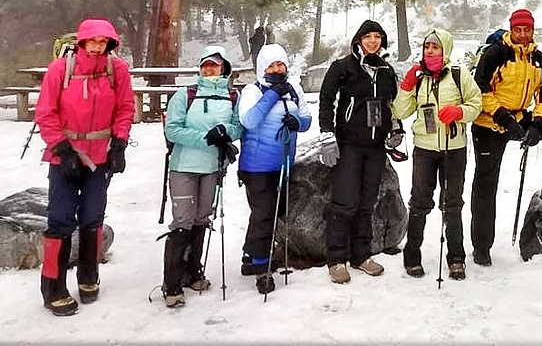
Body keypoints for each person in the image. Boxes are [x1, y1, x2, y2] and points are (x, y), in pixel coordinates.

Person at [34, 18, 135, 316]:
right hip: (64, 155)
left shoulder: (117, 70)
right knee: (61, 220)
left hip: (100, 155)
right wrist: (62, 151)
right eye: (93, 41)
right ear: (81, 42)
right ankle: (53, 286)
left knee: (92, 217)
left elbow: (125, 108)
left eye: (104, 42)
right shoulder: (60, 69)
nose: (97, 47)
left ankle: (88, 275)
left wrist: (119, 144)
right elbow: (46, 112)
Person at [470, 8, 542, 268]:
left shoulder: (539, 60)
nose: (522, 34)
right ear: (511, 29)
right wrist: (503, 118)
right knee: (486, 183)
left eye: (526, 29)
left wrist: (537, 122)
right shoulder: (496, 53)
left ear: (532, 31)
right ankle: (481, 246)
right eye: (517, 29)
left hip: (520, 117)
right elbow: (481, 89)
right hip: (489, 122)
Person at [393, 28, 482, 280]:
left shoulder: (458, 74)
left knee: (452, 203)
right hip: (424, 148)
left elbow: (476, 104)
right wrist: (407, 86)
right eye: (427, 47)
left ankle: (456, 258)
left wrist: (459, 112)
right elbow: (400, 111)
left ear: (445, 49)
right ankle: (412, 255)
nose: (430, 51)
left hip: (454, 148)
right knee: (420, 201)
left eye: (435, 47)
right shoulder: (419, 78)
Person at [316, 19, 399, 284]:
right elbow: (326, 100)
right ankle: (337, 258)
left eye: (378, 36)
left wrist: (395, 129)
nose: (373, 41)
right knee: (345, 202)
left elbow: (390, 104)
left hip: (375, 147)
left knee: (366, 202)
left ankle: (361, 255)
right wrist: (327, 134)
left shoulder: (386, 70)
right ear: (358, 39)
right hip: (349, 144)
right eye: (368, 36)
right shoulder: (343, 67)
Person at [160, 46, 243, 308]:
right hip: (184, 164)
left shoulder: (233, 95)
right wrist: (206, 138)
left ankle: (193, 272)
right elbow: (172, 130)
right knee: (183, 220)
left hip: (213, 167)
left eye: (215, 65)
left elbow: (239, 126)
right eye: (206, 64)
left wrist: (225, 131)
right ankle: (172, 284)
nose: (210, 69)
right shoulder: (185, 94)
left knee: (201, 218)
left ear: (224, 68)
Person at [237, 43, 312, 294]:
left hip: (282, 162)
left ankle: (250, 254)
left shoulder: (294, 90)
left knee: (270, 212)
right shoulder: (253, 91)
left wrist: (297, 121)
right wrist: (272, 94)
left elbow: (307, 120)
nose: (277, 69)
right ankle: (262, 268)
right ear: (262, 67)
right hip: (257, 165)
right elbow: (248, 120)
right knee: (264, 214)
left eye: (281, 64)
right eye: (272, 65)